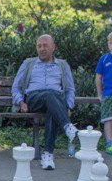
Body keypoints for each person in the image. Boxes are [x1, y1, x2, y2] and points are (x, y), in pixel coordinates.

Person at [10, 34, 78, 171]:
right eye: (39, 46)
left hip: (56, 101)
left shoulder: (63, 65)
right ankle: (68, 127)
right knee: (50, 95)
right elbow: (15, 87)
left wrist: (69, 106)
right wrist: (21, 102)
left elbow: (70, 89)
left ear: (53, 47)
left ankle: (47, 156)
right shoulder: (28, 63)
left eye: (45, 45)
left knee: (52, 107)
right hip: (34, 99)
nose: (42, 49)